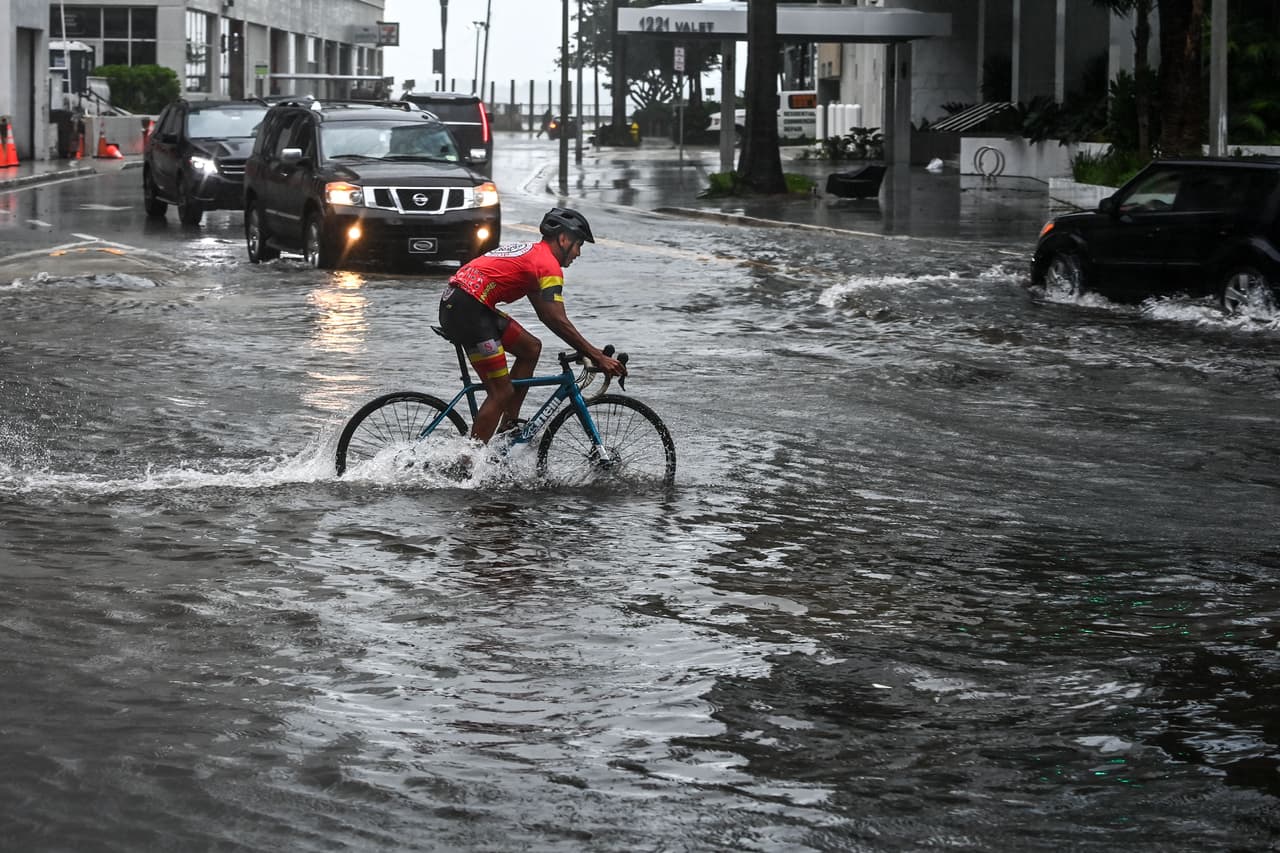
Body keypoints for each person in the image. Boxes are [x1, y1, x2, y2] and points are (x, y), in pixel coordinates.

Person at [438, 207, 626, 443]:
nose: (578, 252)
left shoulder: (535, 256)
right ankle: (469, 464)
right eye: (578, 244)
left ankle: (508, 429)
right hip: (468, 310)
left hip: (466, 304)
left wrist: (586, 350)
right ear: (563, 238)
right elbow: (556, 318)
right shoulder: (548, 266)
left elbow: (548, 316)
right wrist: (596, 355)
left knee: (530, 348)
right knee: (501, 392)